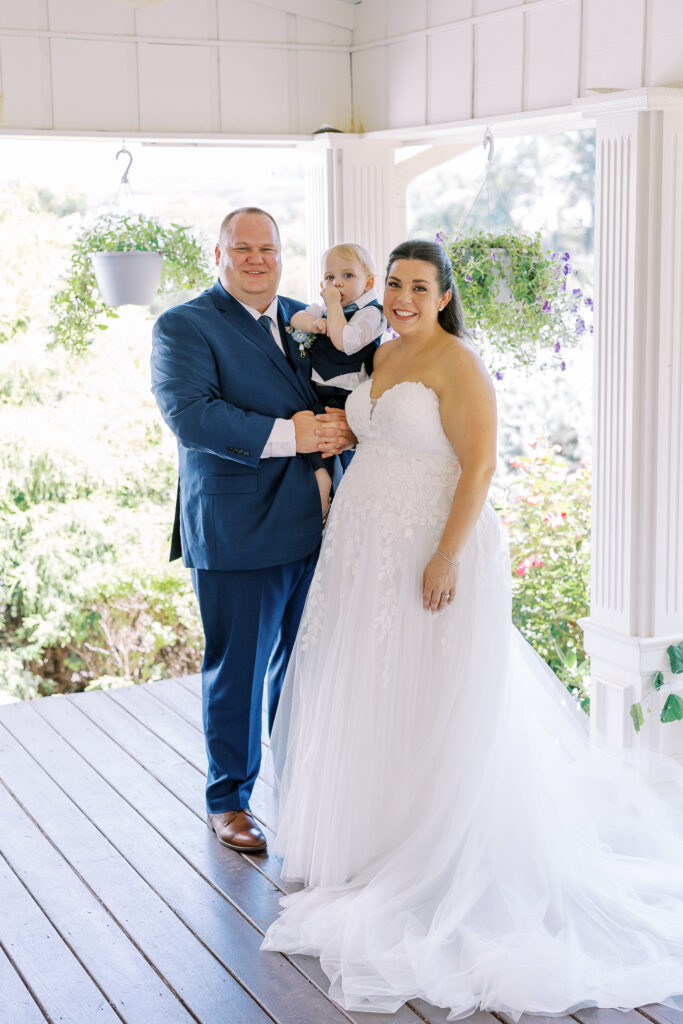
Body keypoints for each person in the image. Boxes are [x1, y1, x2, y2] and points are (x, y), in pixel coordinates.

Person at [261, 239, 683, 1018]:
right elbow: (378, 432)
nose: (401, 298)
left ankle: (437, 850)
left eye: (419, 286)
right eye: (392, 284)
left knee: (431, 695)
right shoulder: (379, 355)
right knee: (374, 686)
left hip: (432, 543)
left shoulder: (458, 362)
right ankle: (376, 842)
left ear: (445, 293)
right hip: (365, 546)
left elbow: (479, 466)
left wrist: (445, 556)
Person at [151, 207, 352, 854]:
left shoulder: (304, 315)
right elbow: (191, 416)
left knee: (302, 670)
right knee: (236, 671)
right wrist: (291, 435)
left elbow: (341, 387)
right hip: (237, 527)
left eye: (267, 248)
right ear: (218, 255)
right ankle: (228, 801)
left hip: (318, 524)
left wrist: (342, 429)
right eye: (242, 248)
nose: (256, 259)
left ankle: (302, 789)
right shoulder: (183, 325)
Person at [289, 243, 386, 469]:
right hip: (316, 392)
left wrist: (333, 305)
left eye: (348, 275)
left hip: (347, 396)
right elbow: (296, 319)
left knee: (340, 447)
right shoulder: (323, 309)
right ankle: (323, 495)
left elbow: (345, 341)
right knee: (316, 447)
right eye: (330, 277)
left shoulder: (371, 314)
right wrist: (313, 324)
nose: (337, 283)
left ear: (368, 283)